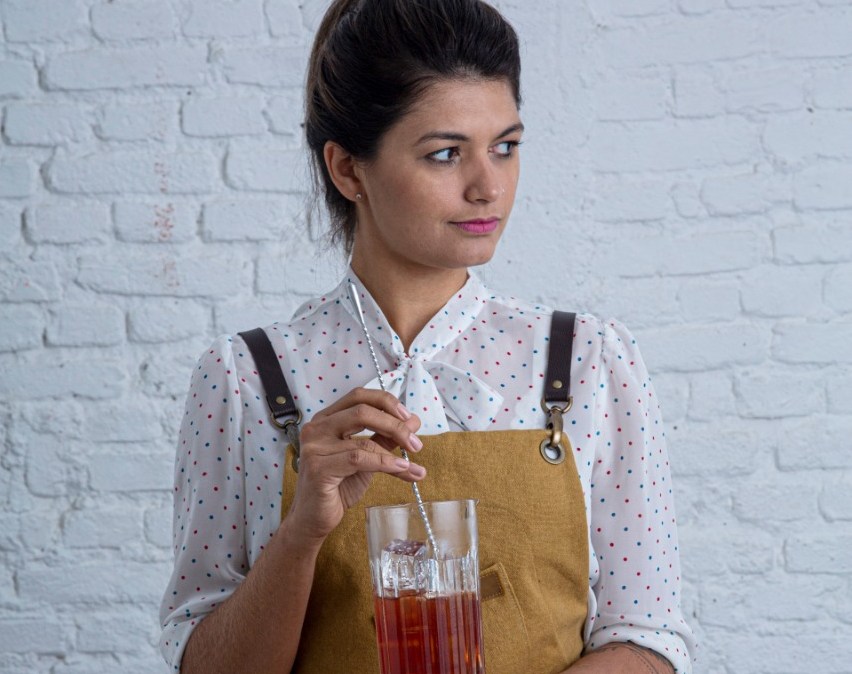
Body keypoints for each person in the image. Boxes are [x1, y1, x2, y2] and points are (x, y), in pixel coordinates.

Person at [159, 0, 697, 672]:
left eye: (505, 146)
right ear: (348, 169)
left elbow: (647, 637)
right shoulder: (245, 378)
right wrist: (301, 533)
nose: (488, 186)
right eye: (446, 154)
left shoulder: (587, 360)